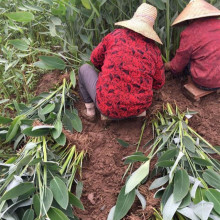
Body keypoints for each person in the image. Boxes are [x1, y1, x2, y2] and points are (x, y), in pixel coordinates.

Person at [78, 3, 165, 121]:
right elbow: (158, 83)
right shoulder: (154, 49)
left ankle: (90, 112)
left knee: (84, 69)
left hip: (107, 107)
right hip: (139, 108)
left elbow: (94, 59)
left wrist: (108, 70)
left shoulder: (115, 36)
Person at [165, 0, 220, 91]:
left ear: (190, 18)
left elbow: (178, 65)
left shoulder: (189, 33)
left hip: (205, 81)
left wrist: (169, 66)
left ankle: (188, 83)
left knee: (186, 60)